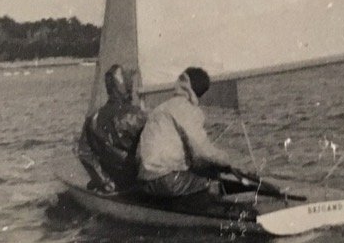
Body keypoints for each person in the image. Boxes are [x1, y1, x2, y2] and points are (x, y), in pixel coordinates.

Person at [136, 66, 251, 199]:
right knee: (213, 182)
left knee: (202, 172)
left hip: (145, 180)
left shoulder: (162, 107)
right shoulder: (186, 108)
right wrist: (229, 161)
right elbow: (203, 151)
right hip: (167, 181)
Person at [77, 64, 147, 192]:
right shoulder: (136, 115)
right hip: (137, 182)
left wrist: (104, 181)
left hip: (112, 182)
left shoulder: (93, 118)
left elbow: (83, 153)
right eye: (127, 79)